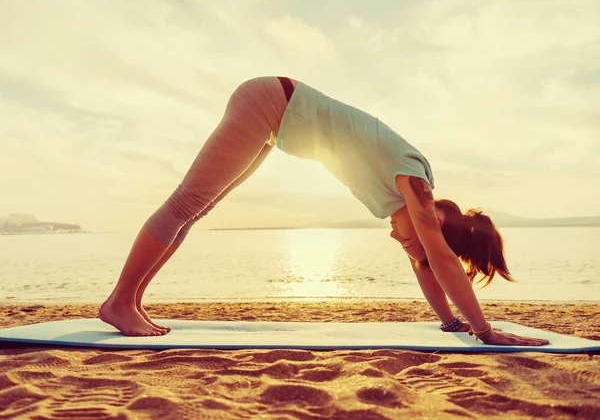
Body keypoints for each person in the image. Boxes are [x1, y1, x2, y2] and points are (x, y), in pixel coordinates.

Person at [99, 76, 550, 346]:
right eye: (413, 237)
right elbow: (438, 257)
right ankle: (120, 301)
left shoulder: (405, 206)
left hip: (276, 119)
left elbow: (426, 265)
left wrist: (452, 322)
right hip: (272, 103)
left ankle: (130, 301)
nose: (400, 241)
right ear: (434, 220)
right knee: (186, 202)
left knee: (195, 210)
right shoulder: (414, 182)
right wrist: (485, 331)